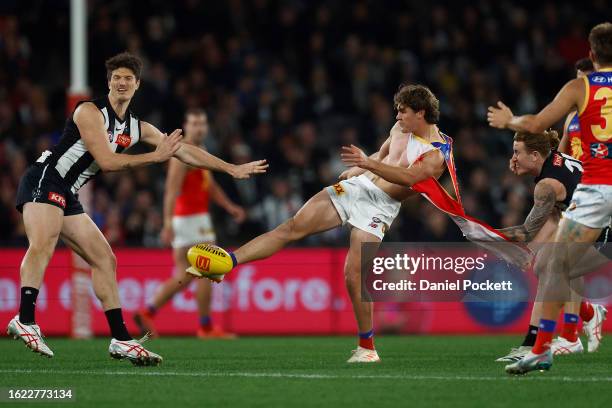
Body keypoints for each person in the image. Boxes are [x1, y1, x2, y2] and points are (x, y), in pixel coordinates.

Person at [6, 52, 267, 365]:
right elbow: (107, 161)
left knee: (105, 258)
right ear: (109, 82)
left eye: (128, 78)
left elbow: (184, 151)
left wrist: (232, 169)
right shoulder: (89, 111)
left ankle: (121, 339)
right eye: (116, 77)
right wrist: (155, 157)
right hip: (45, 179)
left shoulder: (137, 127)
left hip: (68, 191)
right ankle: (25, 318)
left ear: (137, 85)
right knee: (43, 243)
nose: (121, 82)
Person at [194, 84, 447, 363]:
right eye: (397, 111)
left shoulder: (437, 154)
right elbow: (382, 155)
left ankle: (367, 348)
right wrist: (361, 166)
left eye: (403, 112)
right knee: (291, 227)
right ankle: (228, 262)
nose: (397, 117)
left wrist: (369, 164)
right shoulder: (400, 129)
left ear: (421, 113)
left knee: (353, 276)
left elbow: (409, 178)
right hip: (358, 187)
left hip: (381, 207)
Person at [488, 22, 612, 374]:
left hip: (599, 186)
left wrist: (511, 119)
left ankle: (543, 348)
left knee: (556, 265)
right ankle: (575, 325)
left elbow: (538, 122)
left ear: (591, 53)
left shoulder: (580, 86)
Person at [493, 130, 606, 363]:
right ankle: (585, 315)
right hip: (592, 222)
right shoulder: (556, 158)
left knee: (553, 269)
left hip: (605, 231)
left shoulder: (547, 185)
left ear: (535, 156)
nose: (512, 158)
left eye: (517, 152)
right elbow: (555, 218)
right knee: (545, 266)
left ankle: (547, 342)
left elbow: (526, 232)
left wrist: (485, 234)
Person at [133, 108, 245, 339]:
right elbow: (171, 191)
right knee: (209, 269)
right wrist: (167, 223)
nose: (199, 128)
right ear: (186, 126)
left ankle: (148, 310)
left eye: (202, 123)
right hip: (190, 219)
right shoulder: (181, 154)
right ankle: (205, 327)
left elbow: (209, 185)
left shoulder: (200, 151)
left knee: (185, 275)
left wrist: (228, 206)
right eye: (194, 123)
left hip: (192, 219)